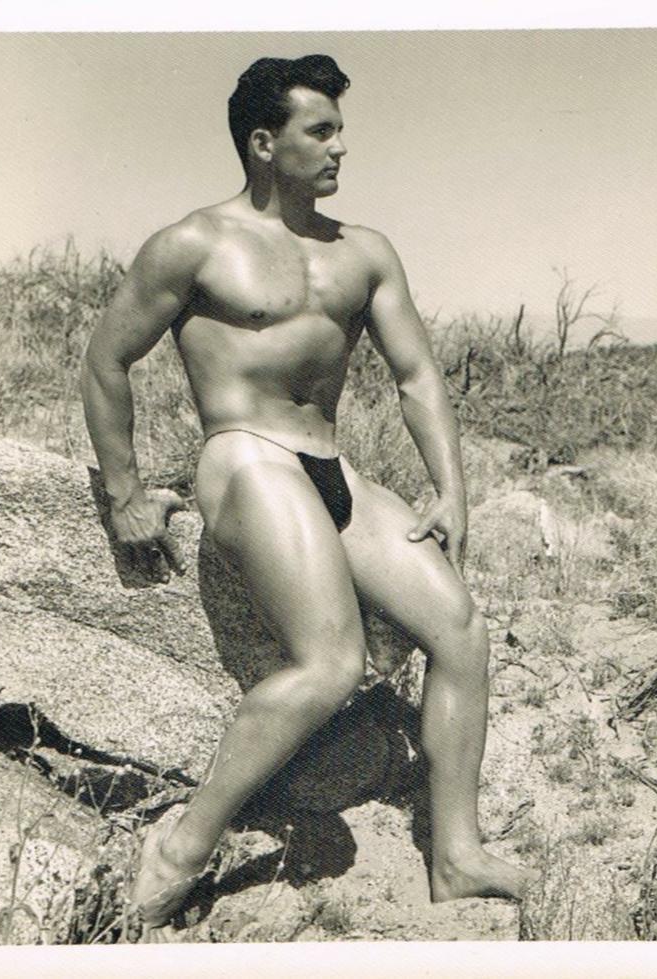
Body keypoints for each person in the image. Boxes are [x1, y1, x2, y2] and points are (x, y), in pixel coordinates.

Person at [80, 54, 537, 939]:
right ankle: (180, 847)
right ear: (264, 142)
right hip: (246, 457)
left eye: (339, 131)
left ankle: (455, 854)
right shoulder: (193, 243)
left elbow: (416, 375)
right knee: (329, 663)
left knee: (460, 630)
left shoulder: (361, 252)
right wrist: (125, 490)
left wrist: (450, 489)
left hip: (332, 469)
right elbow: (106, 360)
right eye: (319, 131)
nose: (339, 147)